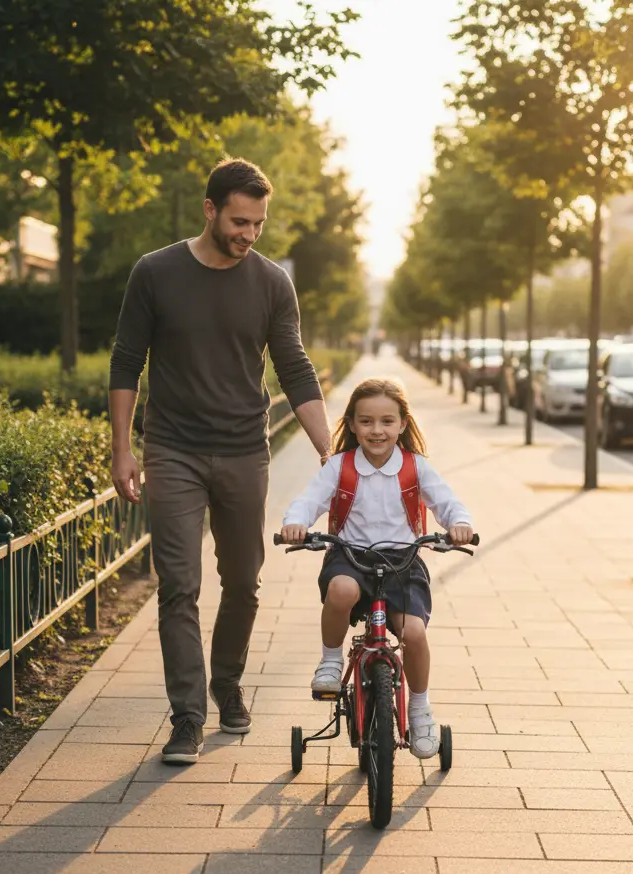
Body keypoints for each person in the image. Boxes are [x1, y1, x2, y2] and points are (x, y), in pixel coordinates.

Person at [109, 158, 331, 765]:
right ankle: (187, 718)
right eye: (239, 221)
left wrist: (329, 451)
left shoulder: (270, 283)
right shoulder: (155, 273)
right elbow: (126, 361)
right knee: (179, 585)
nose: (250, 234)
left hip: (243, 449)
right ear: (209, 210)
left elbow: (295, 367)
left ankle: (226, 680)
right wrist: (123, 448)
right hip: (173, 448)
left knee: (243, 581)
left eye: (258, 223)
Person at [279, 378, 473, 759]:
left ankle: (419, 710)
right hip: (349, 556)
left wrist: (459, 525)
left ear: (403, 424)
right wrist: (295, 523)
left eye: (387, 421)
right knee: (342, 592)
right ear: (351, 424)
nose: (376, 430)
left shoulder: (416, 467)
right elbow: (308, 501)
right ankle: (331, 662)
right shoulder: (340, 466)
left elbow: (448, 503)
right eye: (366, 421)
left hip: (402, 561)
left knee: (413, 633)